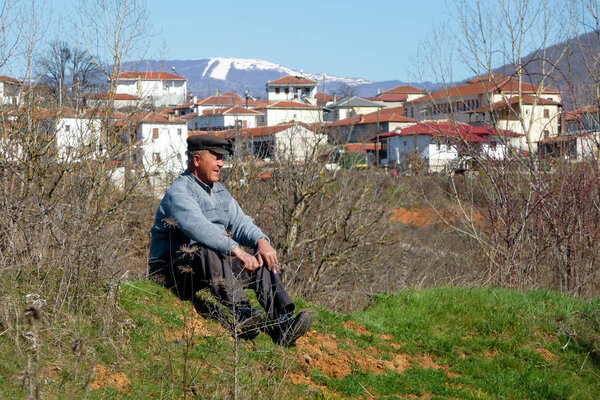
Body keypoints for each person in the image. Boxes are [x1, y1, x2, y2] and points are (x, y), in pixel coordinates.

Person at [148, 134, 312, 346]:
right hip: (170, 274)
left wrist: (262, 241)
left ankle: (282, 323)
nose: (221, 163)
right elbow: (199, 229)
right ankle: (243, 313)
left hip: (209, 267)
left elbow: (240, 222)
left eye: (222, 158)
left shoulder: (220, 192)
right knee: (203, 247)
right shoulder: (179, 193)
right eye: (215, 157)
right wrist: (235, 249)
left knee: (259, 258)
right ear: (197, 160)